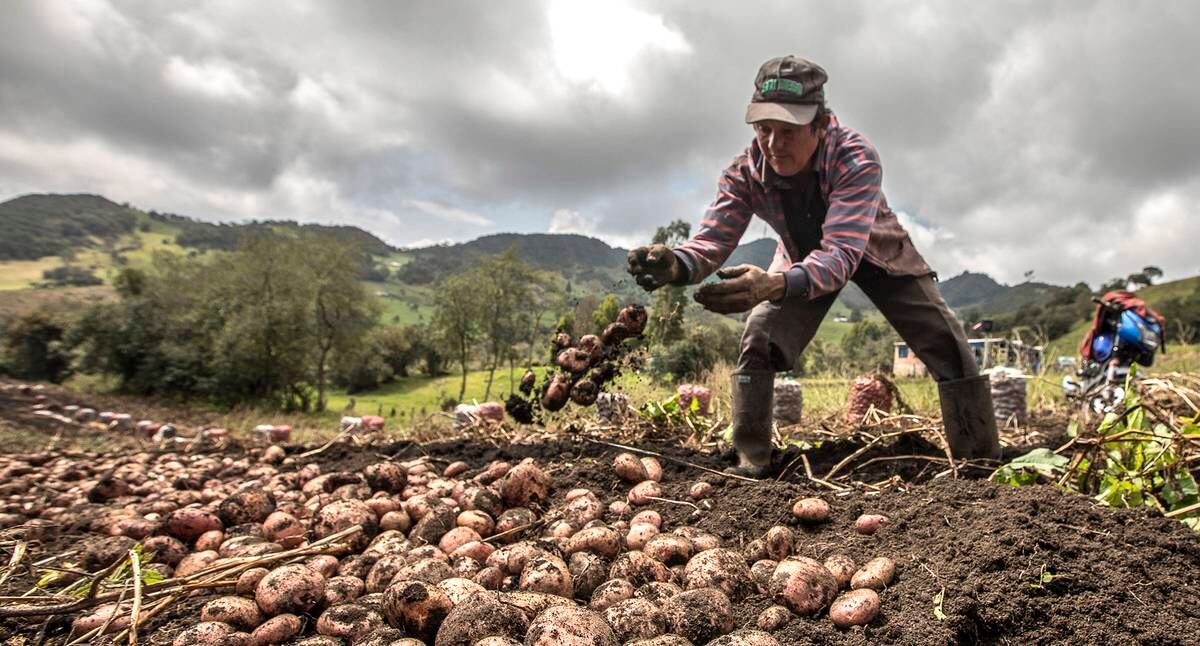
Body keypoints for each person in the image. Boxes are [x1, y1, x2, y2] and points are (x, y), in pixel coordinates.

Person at [627, 55, 1000, 477]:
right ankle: (752, 462)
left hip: (873, 248)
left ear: (820, 126)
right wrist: (675, 264)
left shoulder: (855, 157)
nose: (773, 144)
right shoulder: (743, 172)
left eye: (788, 132)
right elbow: (712, 240)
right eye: (764, 130)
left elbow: (841, 253)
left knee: (944, 339)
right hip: (798, 260)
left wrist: (771, 285)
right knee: (759, 337)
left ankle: (980, 466)